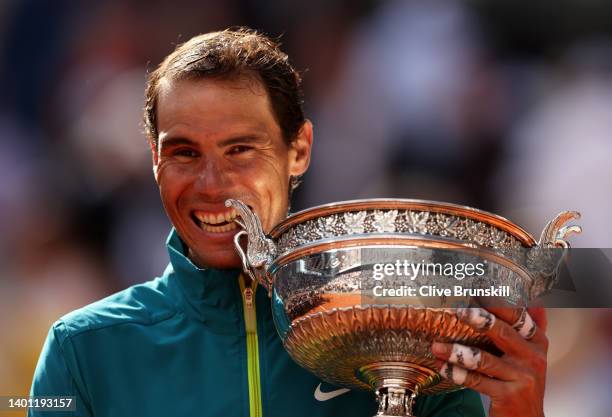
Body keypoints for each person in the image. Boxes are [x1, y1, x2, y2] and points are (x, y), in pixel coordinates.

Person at [29, 28, 548, 417]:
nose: (212, 184)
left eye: (241, 150)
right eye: (185, 153)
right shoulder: (84, 350)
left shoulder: (408, 328)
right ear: (153, 158)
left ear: (299, 151)